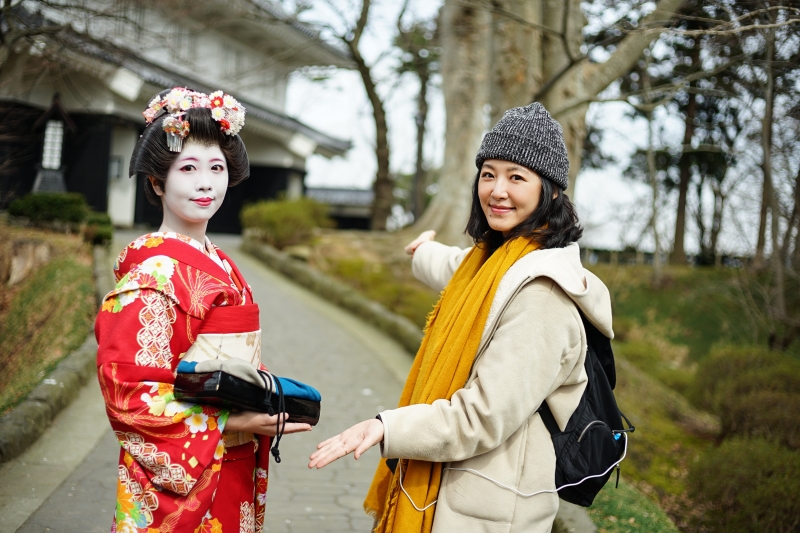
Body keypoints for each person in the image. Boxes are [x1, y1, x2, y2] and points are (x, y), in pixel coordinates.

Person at [308, 103, 614, 533]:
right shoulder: (493, 263)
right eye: (488, 174)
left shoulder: (543, 295)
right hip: (460, 498)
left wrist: (386, 427)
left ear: (553, 193)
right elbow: (457, 267)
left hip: (491, 511)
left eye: (517, 177)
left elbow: (481, 417)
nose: (497, 190)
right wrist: (424, 254)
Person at [96, 87, 311, 533]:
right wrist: (234, 418)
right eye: (187, 168)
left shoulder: (221, 263)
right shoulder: (151, 274)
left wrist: (266, 395)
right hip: (182, 473)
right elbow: (129, 392)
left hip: (229, 457)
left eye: (216, 168)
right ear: (157, 182)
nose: (205, 182)